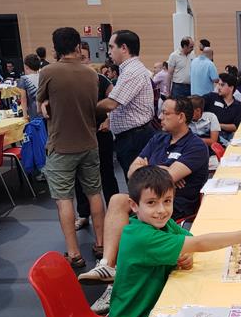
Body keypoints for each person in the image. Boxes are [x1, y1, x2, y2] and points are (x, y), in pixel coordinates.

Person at [105, 165, 241, 317]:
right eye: (151, 203)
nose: (161, 210)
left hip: (155, 311)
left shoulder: (163, 224)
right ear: (134, 205)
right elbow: (199, 243)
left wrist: (187, 253)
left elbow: (190, 240)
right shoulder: (140, 237)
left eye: (167, 201)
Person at [78, 97, 208, 293]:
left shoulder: (195, 146)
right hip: (147, 203)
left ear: (181, 117)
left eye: (166, 113)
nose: (160, 117)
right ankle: (107, 265)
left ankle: (116, 286)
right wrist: (162, 171)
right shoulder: (158, 139)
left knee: (128, 225)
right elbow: (133, 173)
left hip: (174, 206)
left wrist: (150, 170)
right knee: (117, 200)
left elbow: (165, 179)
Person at [37, 26, 105, 268]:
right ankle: (101, 244)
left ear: (55, 49)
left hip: (61, 146)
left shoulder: (48, 72)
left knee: (64, 199)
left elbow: (40, 103)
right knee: (94, 193)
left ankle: (74, 253)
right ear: (78, 46)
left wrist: (46, 102)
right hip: (89, 142)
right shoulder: (91, 74)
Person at [96, 29, 156, 181]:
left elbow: (111, 103)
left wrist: (86, 105)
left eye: (111, 47)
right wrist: (110, 119)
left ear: (123, 48)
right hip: (133, 136)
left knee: (138, 184)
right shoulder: (129, 70)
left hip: (135, 139)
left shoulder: (131, 72)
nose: (109, 52)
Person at [75, 44, 120, 235]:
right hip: (79, 136)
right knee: (79, 177)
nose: (82, 61)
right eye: (79, 57)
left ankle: (115, 210)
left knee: (107, 173)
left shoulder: (100, 79)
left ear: (89, 59)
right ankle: (84, 214)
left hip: (101, 134)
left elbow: (116, 102)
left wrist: (109, 120)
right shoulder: (70, 81)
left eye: (85, 57)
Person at [202, 73, 241, 146]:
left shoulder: (238, 105)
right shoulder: (211, 97)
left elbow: (235, 126)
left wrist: (217, 125)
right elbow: (198, 102)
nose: (218, 87)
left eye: (222, 85)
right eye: (218, 84)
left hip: (228, 136)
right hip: (211, 134)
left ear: (231, 88)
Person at [17, 54, 41, 120]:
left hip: (34, 112)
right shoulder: (43, 76)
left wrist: (25, 115)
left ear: (26, 66)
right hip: (46, 110)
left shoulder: (24, 79)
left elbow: (23, 99)